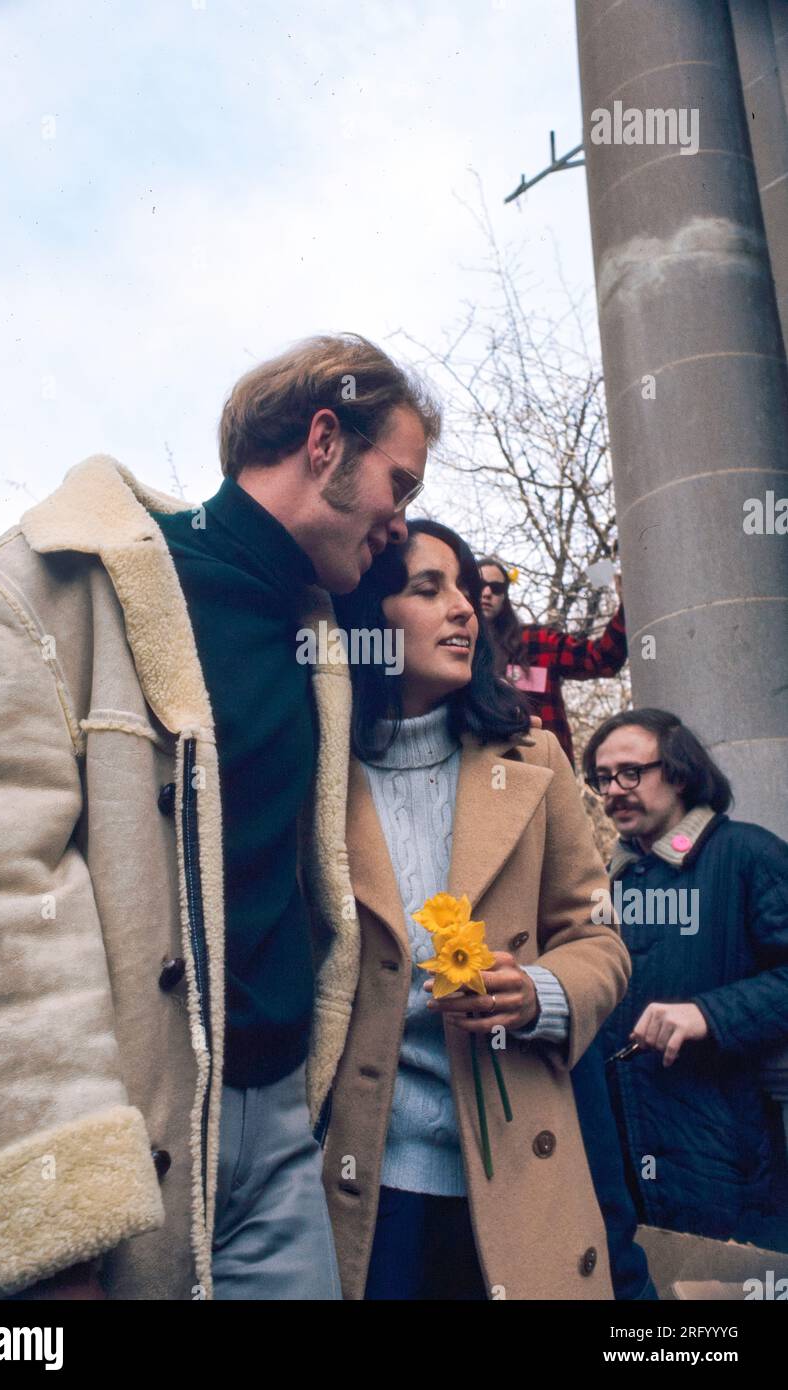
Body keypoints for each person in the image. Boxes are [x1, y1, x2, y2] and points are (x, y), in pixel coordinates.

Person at [0, 332, 438, 1300]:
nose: (401, 523)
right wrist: (55, 1219)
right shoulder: (39, 590)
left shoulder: (323, 642)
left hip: (281, 1137)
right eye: (397, 484)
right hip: (118, 1135)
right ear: (325, 442)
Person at [325, 519, 632, 1300]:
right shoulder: (316, 766)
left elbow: (596, 936)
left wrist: (540, 993)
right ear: (367, 620)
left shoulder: (536, 761)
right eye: (429, 589)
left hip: (516, 1165)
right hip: (361, 1176)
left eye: (465, 588)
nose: (465, 608)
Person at [583, 709, 788, 1250]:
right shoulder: (609, 884)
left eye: (631, 772)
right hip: (627, 1165)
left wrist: (709, 1014)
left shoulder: (747, 852)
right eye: (603, 778)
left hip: (727, 1166)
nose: (613, 791)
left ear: (678, 772)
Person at [478, 554, 626, 766]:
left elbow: (600, 659)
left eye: (496, 587)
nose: (486, 593)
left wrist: (626, 608)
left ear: (506, 595)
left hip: (546, 772)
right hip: (481, 777)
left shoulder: (538, 641)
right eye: (479, 585)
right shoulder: (453, 651)